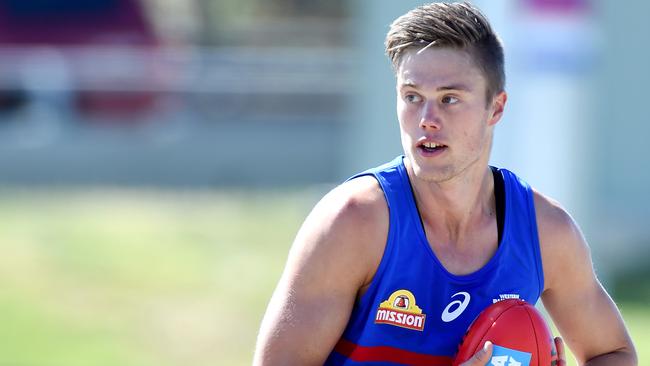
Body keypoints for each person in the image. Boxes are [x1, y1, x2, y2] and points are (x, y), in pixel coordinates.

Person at [253, 2, 637, 365]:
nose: (427, 119)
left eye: (450, 99)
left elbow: (614, 351)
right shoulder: (352, 223)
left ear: (496, 108)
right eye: (412, 97)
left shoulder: (545, 232)